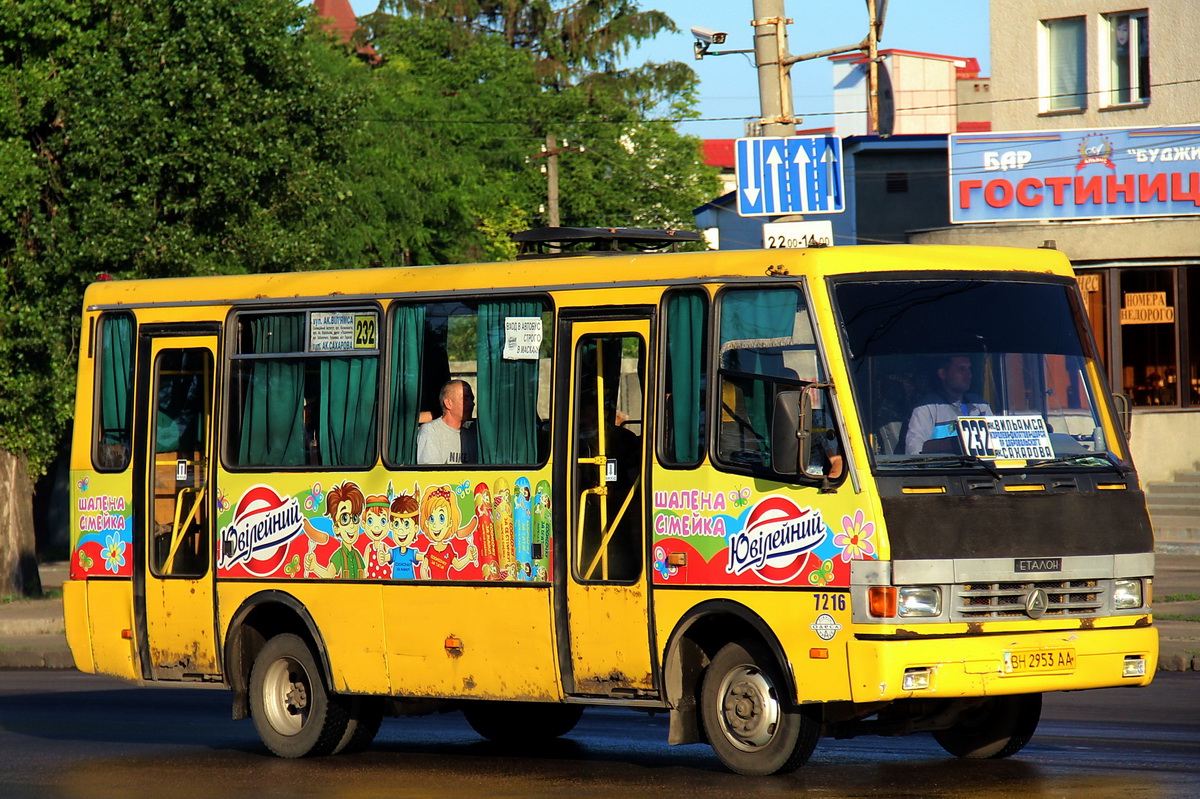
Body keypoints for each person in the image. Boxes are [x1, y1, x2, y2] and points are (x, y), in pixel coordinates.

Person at [905, 355, 993, 454]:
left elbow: (996, 442)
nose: (968, 374)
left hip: (981, 468)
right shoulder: (927, 407)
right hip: (944, 468)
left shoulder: (980, 405)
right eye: (961, 369)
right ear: (942, 373)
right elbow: (914, 450)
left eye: (969, 369)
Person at [416, 379, 478, 465]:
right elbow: (431, 473)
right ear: (448, 403)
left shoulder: (472, 436)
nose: (472, 404)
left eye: (472, 399)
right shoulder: (431, 431)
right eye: (465, 399)